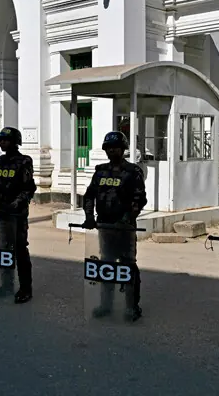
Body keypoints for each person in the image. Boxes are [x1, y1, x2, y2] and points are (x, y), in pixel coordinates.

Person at [82, 131, 147, 322]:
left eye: (115, 147)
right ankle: (106, 305)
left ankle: (132, 307)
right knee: (106, 266)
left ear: (123, 149)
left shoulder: (132, 172)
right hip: (105, 227)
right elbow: (89, 196)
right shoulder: (100, 171)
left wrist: (126, 219)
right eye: (109, 148)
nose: (112, 151)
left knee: (128, 267)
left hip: (124, 229)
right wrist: (88, 217)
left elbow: (139, 199)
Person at [0, 127, 36, 304]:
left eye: (5, 140)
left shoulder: (24, 161)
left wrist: (16, 204)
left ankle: (25, 288)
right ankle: (6, 285)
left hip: (17, 215)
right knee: (4, 249)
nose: (1, 143)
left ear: (15, 142)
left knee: (19, 250)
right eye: (0, 139)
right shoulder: (0, 161)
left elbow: (29, 188)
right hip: (2, 213)